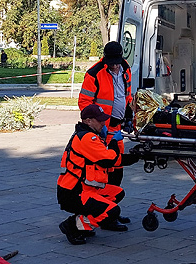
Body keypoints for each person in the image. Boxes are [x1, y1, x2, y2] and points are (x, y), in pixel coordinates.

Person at [56, 104, 140, 244]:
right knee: (112, 211)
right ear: (88, 121)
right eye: (100, 120)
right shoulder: (88, 138)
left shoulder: (89, 136)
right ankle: (73, 225)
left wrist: (136, 156)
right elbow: (108, 160)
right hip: (74, 193)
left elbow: (110, 159)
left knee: (117, 193)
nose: (103, 123)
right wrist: (114, 142)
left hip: (81, 189)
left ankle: (88, 219)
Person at [78, 41, 134, 217]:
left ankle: (111, 212)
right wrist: (97, 124)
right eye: (111, 63)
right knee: (102, 174)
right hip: (102, 128)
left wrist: (129, 114)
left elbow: (127, 94)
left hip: (116, 127)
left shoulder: (125, 69)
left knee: (117, 170)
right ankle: (103, 214)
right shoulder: (94, 74)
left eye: (117, 62)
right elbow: (84, 103)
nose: (115, 66)